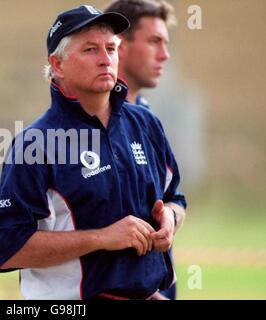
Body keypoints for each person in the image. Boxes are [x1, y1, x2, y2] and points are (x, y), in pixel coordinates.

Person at [0, 5, 186, 300]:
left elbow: (176, 199)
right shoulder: (35, 144)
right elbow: (9, 248)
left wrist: (170, 219)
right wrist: (102, 237)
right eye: (90, 50)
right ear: (57, 65)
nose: (106, 59)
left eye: (111, 48)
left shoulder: (145, 123)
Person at [104, 0, 186, 299]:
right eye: (154, 42)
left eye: (165, 43)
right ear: (119, 45)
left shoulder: (148, 117)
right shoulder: (88, 124)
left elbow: (175, 198)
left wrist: (170, 219)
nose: (164, 55)